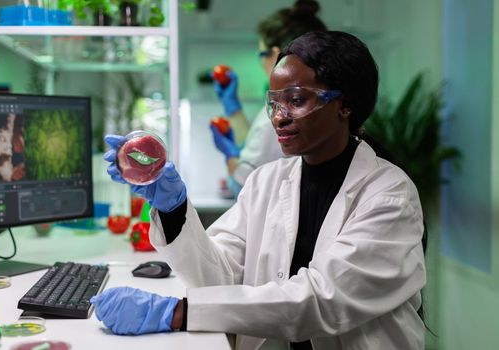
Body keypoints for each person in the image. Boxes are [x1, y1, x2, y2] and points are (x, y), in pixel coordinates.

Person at [95, 31, 426, 350]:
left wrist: (177, 313)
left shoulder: (390, 196)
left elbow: (321, 301)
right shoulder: (266, 181)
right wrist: (173, 209)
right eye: (274, 103)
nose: (278, 118)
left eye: (296, 100)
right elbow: (218, 278)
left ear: (345, 105)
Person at [210, 0, 327, 196]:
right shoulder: (321, 102)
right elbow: (261, 147)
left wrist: (231, 155)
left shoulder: (284, 112)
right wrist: (233, 108)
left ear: (274, 54)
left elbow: (243, 185)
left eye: (261, 54)